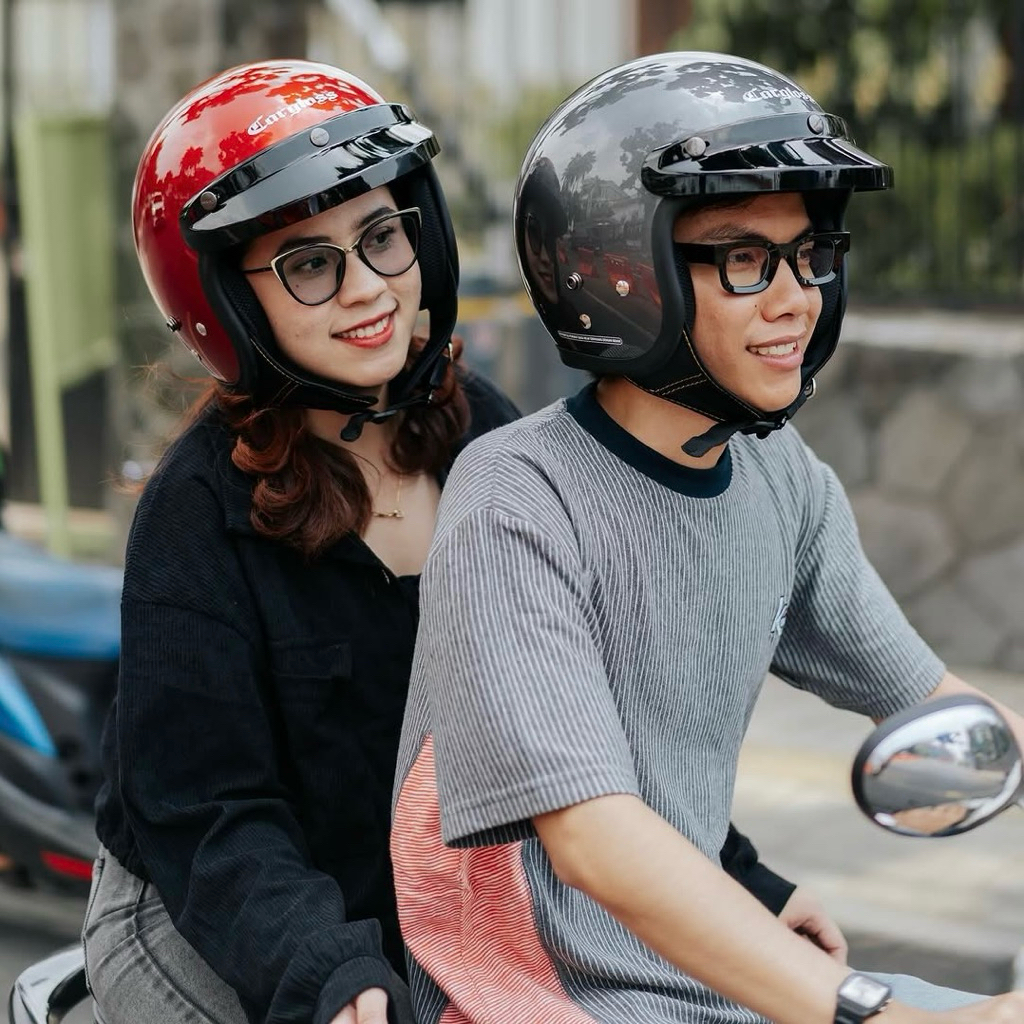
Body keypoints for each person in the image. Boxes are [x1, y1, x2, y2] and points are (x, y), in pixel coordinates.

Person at [81, 58, 794, 1024]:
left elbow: (595, 715)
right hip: (206, 914)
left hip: (412, 899)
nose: (368, 289)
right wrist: (325, 970)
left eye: (382, 237)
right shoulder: (197, 514)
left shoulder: (488, 443)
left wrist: (745, 882)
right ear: (224, 301)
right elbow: (210, 817)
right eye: (308, 264)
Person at [391, 52, 1024, 1024]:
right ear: (622, 275)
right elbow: (595, 843)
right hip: (547, 996)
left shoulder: (780, 478)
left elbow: (936, 705)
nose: (796, 297)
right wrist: (870, 1011)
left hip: (708, 980)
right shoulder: (517, 498)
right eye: (743, 259)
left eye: (811, 253)